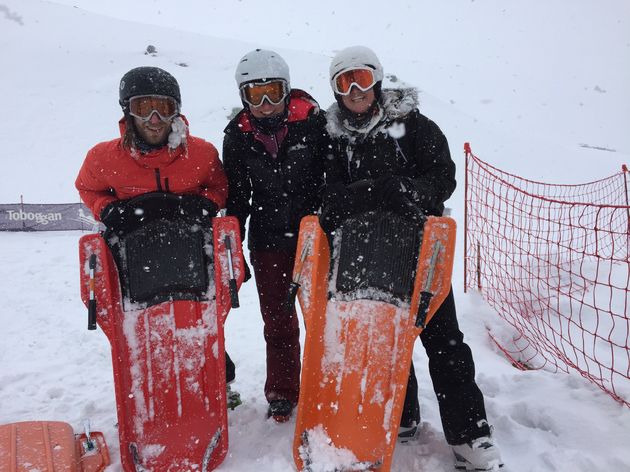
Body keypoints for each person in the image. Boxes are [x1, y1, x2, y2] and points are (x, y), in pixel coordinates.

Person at [320, 46, 503, 471]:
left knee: (444, 342)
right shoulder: (332, 137)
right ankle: (401, 416)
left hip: (420, 254)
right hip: (364, 258)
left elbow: (443, 176)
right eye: (344, 83)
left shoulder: (412, 126)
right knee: (380, 338)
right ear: (335, 90)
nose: (354, 91)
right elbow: (325, 192)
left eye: (361, 79)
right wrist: (353, 197)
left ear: (377, 81)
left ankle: (469, 433)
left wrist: (408, 192)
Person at [75, 66, 241, 408]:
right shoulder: (103, 157)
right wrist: (108, 209)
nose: (153, 119)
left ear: (175, 111)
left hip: (192, 257)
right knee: (144, 328)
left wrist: (203, 205)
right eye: (143, 107)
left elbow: (219, 188)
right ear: (127, 111)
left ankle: (216, 383)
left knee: (198, 321)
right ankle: (151, 392)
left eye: (163, 108)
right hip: (135, 263)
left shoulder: (201, 153)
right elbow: (87, 188)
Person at [223, 49, 327, 422]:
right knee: (278, 319)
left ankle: (327, 385)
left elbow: (332, 174)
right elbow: (236, 198)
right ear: (243, 97)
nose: (265, 104)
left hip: (314, 233)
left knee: (324, 316)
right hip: (267, 239)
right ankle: (282, 390)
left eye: (272, 92)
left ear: (286, 91)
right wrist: (234, 252)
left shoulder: (313, 124)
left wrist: (324, 218)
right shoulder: (237, 136)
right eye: (255, 95)